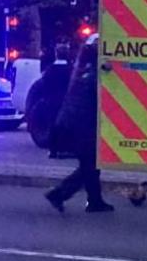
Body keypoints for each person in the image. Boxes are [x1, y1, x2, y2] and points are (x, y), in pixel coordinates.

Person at [45, 37, 111, 214]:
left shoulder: (83, 70)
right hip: (83, 125)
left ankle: (94, 201)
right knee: (90, 164)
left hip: (72, 123)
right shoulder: (97, 75)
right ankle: (59, 194)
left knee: (91, 164)